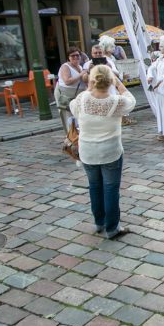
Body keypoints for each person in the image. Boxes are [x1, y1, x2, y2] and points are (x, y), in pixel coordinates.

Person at [69, 65, 136, 239]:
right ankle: (112, 228)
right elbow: (131, 101)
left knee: (95, 187)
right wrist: (119, 83)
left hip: (88, 152)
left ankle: (99, 223)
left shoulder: (82, 99)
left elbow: (72, 107)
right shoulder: (116, 101)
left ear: (92, 80)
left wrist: (90, 88)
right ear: (110, 81)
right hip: (110, 151)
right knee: (111, 189)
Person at [54, 47, 85, 129]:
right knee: (69, 118)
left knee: (78, 117)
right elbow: (67, 81)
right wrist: (81, 74)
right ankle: (71, 137)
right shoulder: (65, 66)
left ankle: (77, 136)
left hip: (77, 96)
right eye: (72, 55)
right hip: (66, 96)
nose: (75, 57)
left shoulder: (81, 67)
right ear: (68, 57)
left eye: (77, 55)